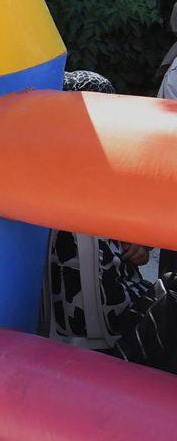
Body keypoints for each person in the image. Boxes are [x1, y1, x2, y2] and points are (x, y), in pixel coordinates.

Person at [41, 70, 176, 372]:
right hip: (91, 329)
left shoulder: (112, 174)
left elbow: (139, 236)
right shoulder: (43, 184)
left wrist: (140, 243)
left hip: (110, 316)